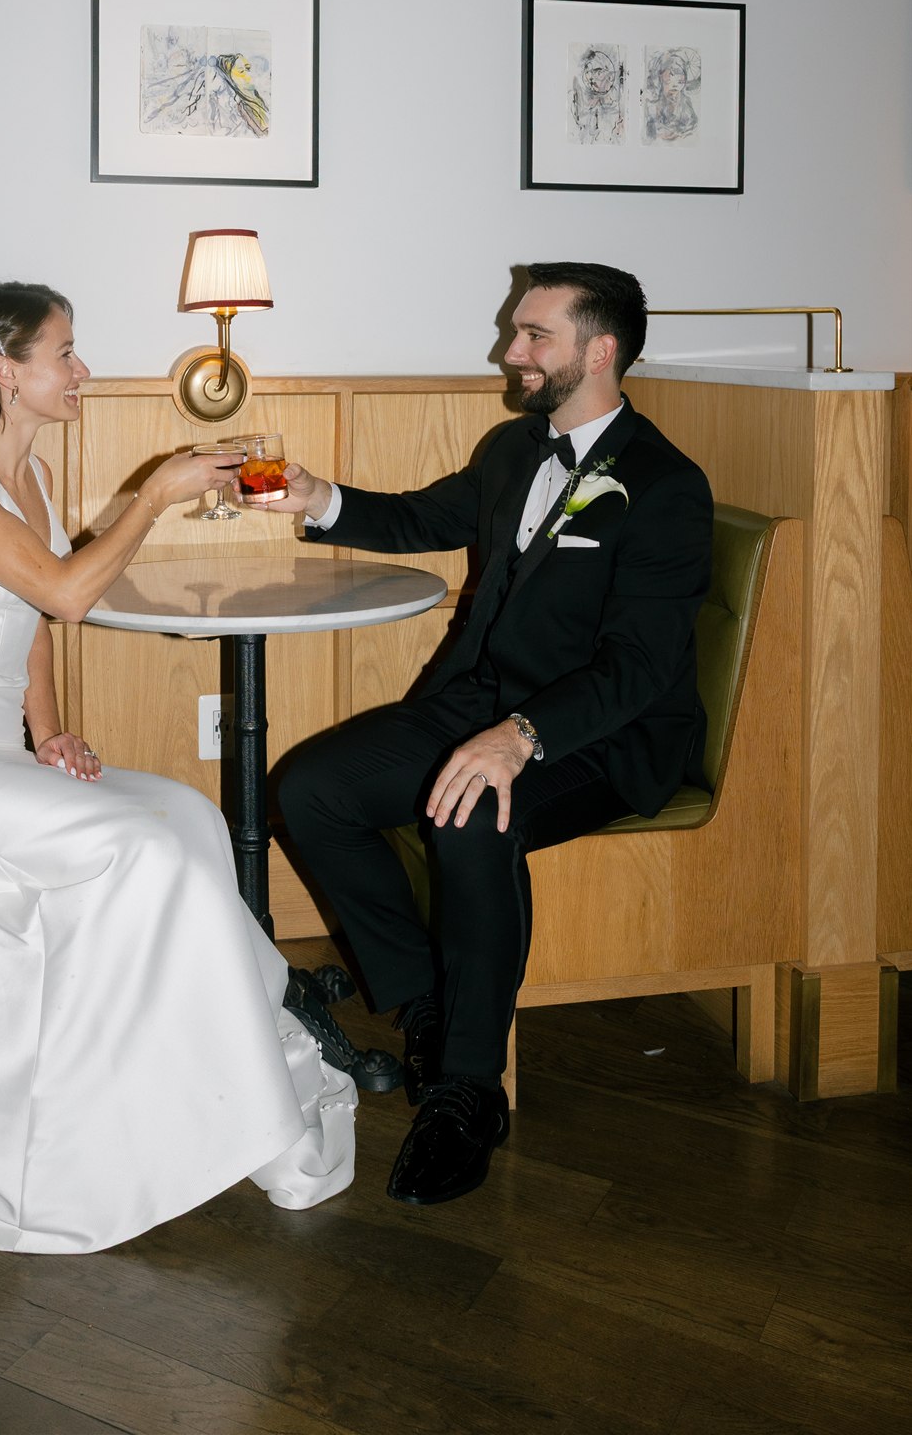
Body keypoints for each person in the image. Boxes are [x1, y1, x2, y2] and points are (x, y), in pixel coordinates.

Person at [0, 283, 355, 1250]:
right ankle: (98, 1125)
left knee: (189, 817)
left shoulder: (31, 473)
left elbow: (32, 623)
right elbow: (65, 593)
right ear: (3, 370)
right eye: (65, 352)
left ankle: (216, 1072)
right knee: (141, 848)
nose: (82, 370)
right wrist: (154, 495)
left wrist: (48, 733)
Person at [274, 263, 712, 1209]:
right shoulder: (515, 448)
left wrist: (521, 736)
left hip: (602, 734)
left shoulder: (665, 485)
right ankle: (424, 999)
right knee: (311, 788)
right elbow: (420, 517)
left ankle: (469, 1090)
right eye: (517, 332)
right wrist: (316, 497)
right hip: (477, 703)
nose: (509, 351)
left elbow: (638, 667)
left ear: (599, 351)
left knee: (475, 813)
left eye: (532, 335)